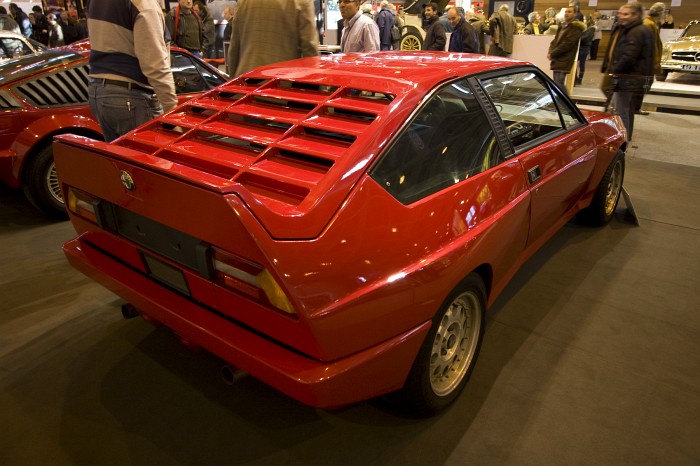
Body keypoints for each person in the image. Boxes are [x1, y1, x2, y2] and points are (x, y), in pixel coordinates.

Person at [87, 0, 177, 142]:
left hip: (98, 92)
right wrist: (172, 111)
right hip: (131, 96)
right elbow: (154, 64)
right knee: (151, 160)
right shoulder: (144, 4)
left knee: (121, 161)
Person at [601, 2, 653, 140]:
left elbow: (629, 56)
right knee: (618, 108)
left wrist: (615, 70)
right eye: (620, 13)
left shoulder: (637, 31)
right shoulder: (630, 29)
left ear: (635, 15)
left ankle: (622, 139)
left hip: (628, 77)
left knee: (621, 111)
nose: (621, 16)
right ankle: (621, 136)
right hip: (628, 77)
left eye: (625, 14)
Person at [228, 0, 319, 77]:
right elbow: (310, 48)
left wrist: (232, 82)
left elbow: (234, 48)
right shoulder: (300, 2)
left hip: (245, 82)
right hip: (280, 85)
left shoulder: (243, 2)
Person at [548, 6, 585, 94]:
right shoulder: (562, 26)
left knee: (559, 84)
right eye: (566, 11)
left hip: (565, 59)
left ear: (575, 14)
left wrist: (553, 53)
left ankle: (567, 103)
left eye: (569, 12)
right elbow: (555, 41)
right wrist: (551, 51)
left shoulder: (575, 28)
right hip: (557, 59)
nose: (567, 13)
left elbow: (567, 44)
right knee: (557, 84)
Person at [576, 16, 596, 85]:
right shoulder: (582, 28)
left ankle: (580, 78)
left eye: (584, 19)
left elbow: (584, 38)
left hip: (584, 48)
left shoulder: (591, 29)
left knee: (582, 64)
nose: (583, 20)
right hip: (579, 47)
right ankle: (575, 78)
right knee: (575, 63)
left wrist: (578, 37)